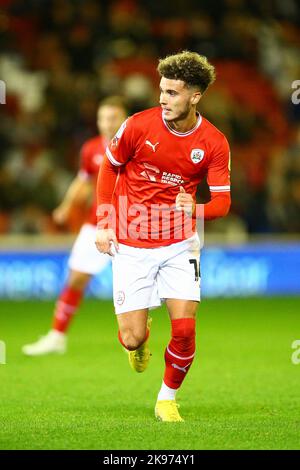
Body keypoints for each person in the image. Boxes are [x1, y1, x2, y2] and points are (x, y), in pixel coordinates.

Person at [95, 51, 231, 422]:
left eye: (172, 93)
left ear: (195, 97)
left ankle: (167, 399)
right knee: (132, 338)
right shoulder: (138, 126)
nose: (163, 99)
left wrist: (196, 210)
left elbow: (222, 203)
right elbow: (110, 168)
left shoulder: (215, 143)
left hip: (179, 244)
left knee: (185, 327)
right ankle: (137, 343)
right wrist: (104, 221)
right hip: (131, 242)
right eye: (161, 90)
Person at [22, 96, 127, 356]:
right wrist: (66, 206)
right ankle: (57, 335)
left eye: (112, 118)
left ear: (124, 119)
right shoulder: (91, 149)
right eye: (102, 118)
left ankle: (136, 340)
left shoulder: (137, 147)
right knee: (76, 278)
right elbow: (83, 181)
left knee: (136, 286)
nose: (106, 123)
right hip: (97, 224)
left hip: (130, 226)